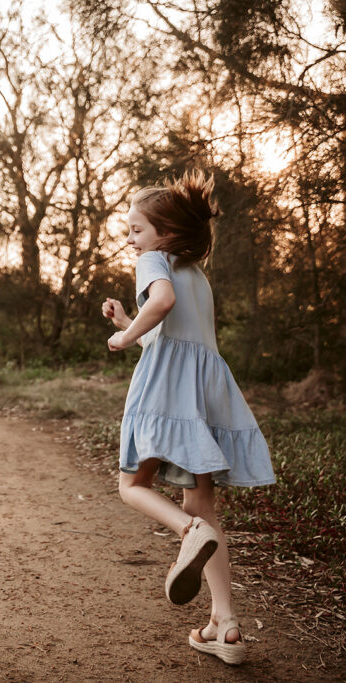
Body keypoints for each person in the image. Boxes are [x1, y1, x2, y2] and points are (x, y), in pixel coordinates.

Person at [102, 170, 275, 665]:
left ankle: (185, 532)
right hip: (203, 397)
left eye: (136, 229)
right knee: (206, 509)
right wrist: (126, 320)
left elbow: (161, 303)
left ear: (166, 233)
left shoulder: (153, 261)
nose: (130, 239)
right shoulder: (197, 275)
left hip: (164, 394)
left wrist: (122, 337)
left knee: (131, 487)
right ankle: (226, 625)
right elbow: (177, 331)